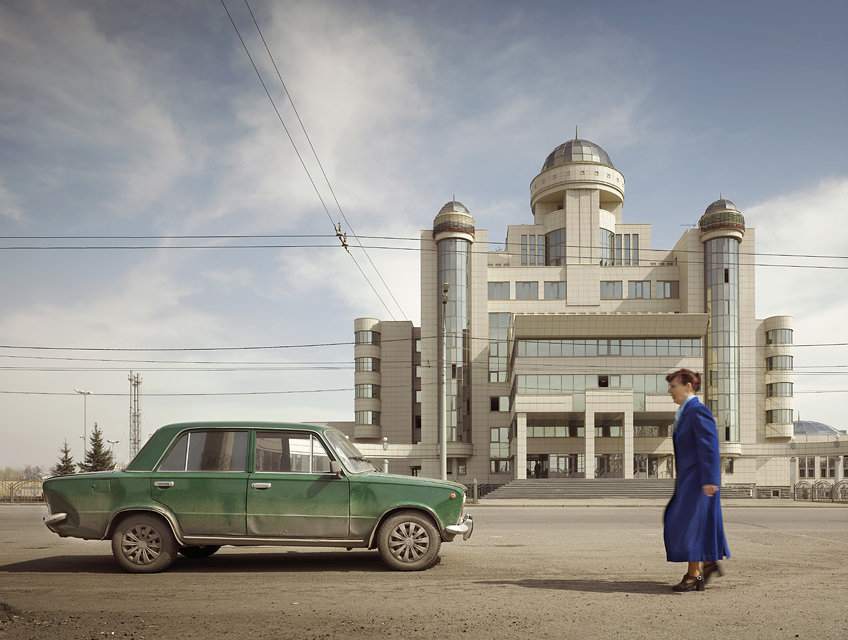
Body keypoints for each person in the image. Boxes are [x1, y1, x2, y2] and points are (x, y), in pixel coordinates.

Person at [663, 369, 730, 592]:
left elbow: (709, 446)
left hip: (700, 481)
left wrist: (710, 479)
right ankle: (706, 564)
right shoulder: (684, 411)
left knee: (687, 524)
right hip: (689, 480)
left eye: (674, 386)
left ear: (688, 386)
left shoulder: (698, 410)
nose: (670, 391)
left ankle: (696, 573)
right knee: (687, 523)